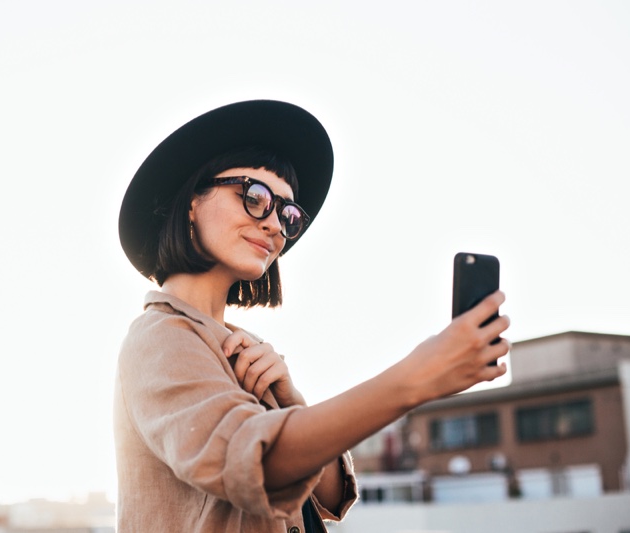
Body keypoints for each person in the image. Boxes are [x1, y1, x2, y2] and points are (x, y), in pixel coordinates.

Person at [115, 100, 510, 532]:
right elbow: (261, 466)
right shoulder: (161, 336)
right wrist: (416, 378)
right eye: (255, 196)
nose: (275, 226)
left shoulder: (240, 347)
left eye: (288, 214)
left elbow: (323, 496)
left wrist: (289, 401)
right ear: (192, 201)